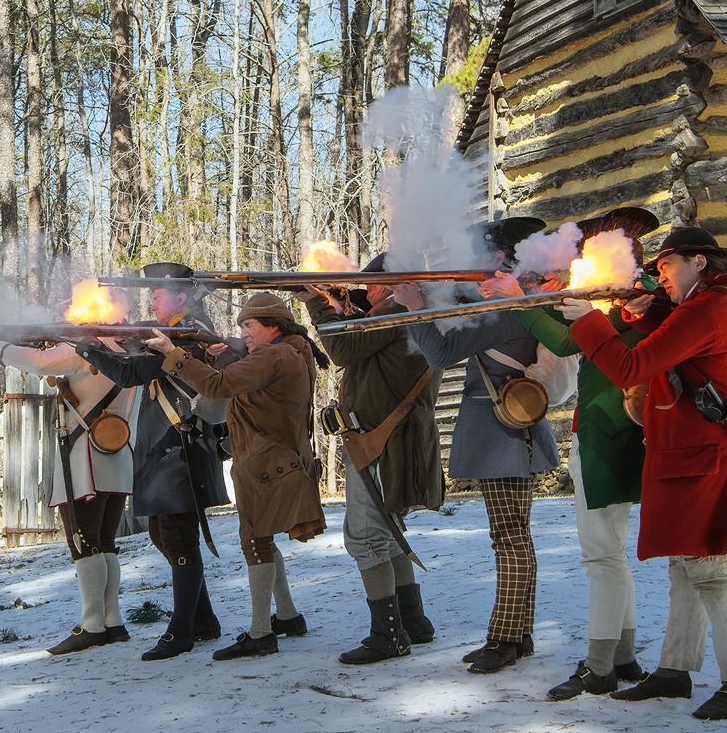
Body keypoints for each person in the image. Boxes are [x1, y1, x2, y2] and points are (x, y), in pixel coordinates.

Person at [558, 226, 727, 721]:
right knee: (687, 567)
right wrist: (642, 311)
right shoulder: (722, 303)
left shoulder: (710, 309)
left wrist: (587, 321)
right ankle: (673, 670)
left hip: (704, 456)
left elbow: (629, 367)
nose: (660, 276)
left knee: (711, 570)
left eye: (667, 267)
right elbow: (682, 344)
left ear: (700, 264)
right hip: (700, 453)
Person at [486, 207, 669, 698]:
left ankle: (600, 664)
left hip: (610, 432)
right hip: (616, 430)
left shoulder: (632, 298)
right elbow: (573, 335)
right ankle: (623, 656)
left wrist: (521, 299)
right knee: (610, 553)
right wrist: (532, 295)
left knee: (601, 556)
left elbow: (570, 341)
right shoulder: (634, 295)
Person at [407, 217, 560, 675]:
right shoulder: (506, 306)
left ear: (498, 260)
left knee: (509, 537)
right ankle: (516, 633)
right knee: (511, 536)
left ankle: (504, 638)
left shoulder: (513, 309)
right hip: (499, 431)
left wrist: (416, 305)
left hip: (505, 434)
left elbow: (439, 354)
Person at [144, 292, 327, 661]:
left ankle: (261, 633)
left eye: (250, 326)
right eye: (241, 325)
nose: (243, 332)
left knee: (255, 542)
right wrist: (222, 355)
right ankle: (287, 617)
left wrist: (172, 354)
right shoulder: (293, 349)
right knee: (262, 539)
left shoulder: (272, 354)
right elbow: (237, 380)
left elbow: (216, 387)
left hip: (263, 460)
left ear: (273, 327)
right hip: (275, 456)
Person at [76, 263, 233, 660]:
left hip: (179, 450)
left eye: (158, 294)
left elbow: (134, 374)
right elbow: (141, 362)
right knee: (164, 536)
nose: (152, 301)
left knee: (178, 538)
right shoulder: (177, 332)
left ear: (180, 297)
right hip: (166, 450)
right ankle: (203, 619)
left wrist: (89, 347)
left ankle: (181, 632)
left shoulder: (188, 334)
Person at [302, 252, 443, 665]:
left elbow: (343, 349)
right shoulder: (401, 312)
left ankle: (388, 634)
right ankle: (413, 621)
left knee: (365, 536)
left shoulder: (398, 310)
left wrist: (314, 302)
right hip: (387, 439)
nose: (367, 291)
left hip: (382, 441)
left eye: (373, 284)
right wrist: (339, 306)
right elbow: (358, 343)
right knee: (387, 531)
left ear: (392, 285)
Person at [0, 330, 138, 656]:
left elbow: (40, 362)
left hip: (86, 456)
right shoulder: (133, 350)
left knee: (83, 542)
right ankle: (112, 621)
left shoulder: (89, 349)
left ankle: (92, 625)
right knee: (104, 542)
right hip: (118, 454)